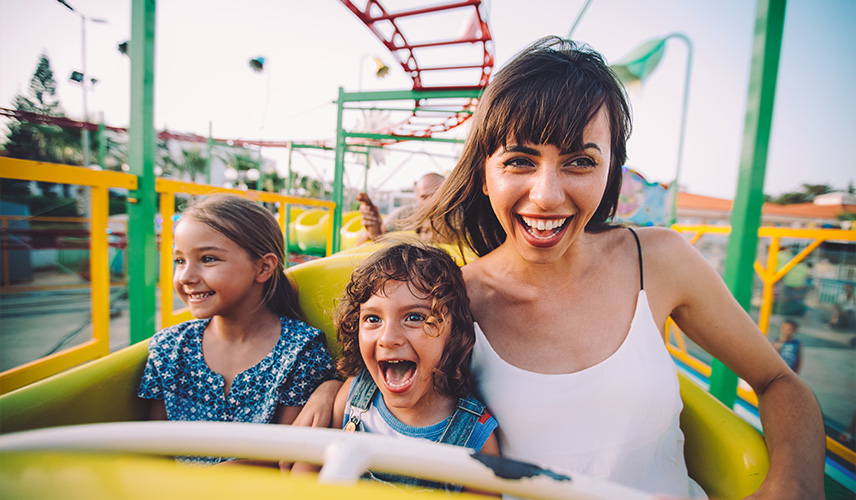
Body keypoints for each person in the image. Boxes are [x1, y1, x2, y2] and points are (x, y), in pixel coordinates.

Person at [300, 37, 825, 498]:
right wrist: (331, 388)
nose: (547, 196)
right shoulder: (450, 301)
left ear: (611, 172)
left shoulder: (659, 261)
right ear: (485, 175)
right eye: (520, 161)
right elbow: (389, 378)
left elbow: (778, 380)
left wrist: (793, 484)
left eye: (580, 162)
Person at [137, 194, 337, 466]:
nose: (185, 277)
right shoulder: (169, 348)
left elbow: (287, 461)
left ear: (264, 267)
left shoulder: (301, 351)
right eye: (180, 261)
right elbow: (153, 449)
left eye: (207, 259)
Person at [297, 242, 500, 490]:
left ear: (454, 331)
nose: (388, 338)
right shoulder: (354, 395)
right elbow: (306, 470)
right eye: (373, 319)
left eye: (414, 317)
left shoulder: (474, 435)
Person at [356, 172, 445, 244]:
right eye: (424, 197)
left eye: (436, 195)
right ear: (417, 197)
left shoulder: (456, 219)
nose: (430, 202)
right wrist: (375, 229)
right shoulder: (405, 214)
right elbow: (374, 237)